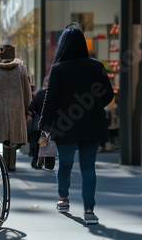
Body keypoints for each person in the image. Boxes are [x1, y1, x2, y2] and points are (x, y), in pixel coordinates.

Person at [39, 26, 114, 225]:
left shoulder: (58, 68)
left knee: (65, 164)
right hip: (93, 124)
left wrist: (45, 125)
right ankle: (89, 210)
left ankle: (63, 199)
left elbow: (51, 99)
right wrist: (95, 106)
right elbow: (108, 94)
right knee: (89, 167)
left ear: (63, 45)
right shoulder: (96, 66)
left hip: (65, 125)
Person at [0, 44, 32, 171]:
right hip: (17, 108)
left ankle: (2, 162)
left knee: (2, 137)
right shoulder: (21, 69)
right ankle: (11, 163)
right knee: (13, 137)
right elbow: (27, 90)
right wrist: (28, 109)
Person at [28, 76, 55, 169]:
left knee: (37, 143)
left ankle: (35, 161)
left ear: (44, 83)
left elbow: (31, 108)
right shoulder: (55, 94)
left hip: (38, 123)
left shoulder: (40, 93)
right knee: (49, 143)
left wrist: (36, 113)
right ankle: (49, 163)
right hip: (51, 124)